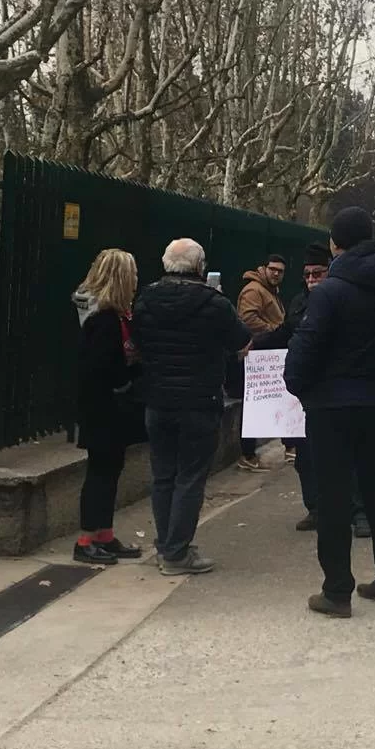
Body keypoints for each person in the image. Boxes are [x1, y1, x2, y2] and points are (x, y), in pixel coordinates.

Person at [284, 207, 375, 618]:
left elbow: (304, 352)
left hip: (330, 408)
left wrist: (303, 387)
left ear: (335, 244)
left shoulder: (329, 292)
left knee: (334, 497)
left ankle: (337, 589)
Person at [133, 237, 252, 576]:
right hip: (199, 401)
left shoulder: (145, 300)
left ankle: (166, 543)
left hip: (157, 401)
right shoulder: (214, 304)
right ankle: (176, 551)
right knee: (190, 476)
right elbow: (241, 340)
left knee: (163, 475)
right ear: (200, 268)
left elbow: (138, 344)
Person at [267, 246, 369, 537]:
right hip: (309, 392)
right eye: (308, 274)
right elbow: (285, 333)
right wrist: (254, 345)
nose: (312, 279)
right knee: (306, 456)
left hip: (340, 388)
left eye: (318, 273)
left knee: (349, 455)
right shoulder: (300, 302)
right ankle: (317, 507)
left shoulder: (344, 299)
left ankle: (357, 511)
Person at [71, 248, 146, 567]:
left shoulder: (109, 314)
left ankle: (104, 534)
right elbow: (101, 367)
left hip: (106, 409)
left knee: (111, 470)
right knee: (100, 473)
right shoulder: (102, 319)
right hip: (103, 410)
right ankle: (86, 539)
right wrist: (127, 379)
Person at [235, 254, 289, 472]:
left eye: (280, 270)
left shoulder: (269, 291)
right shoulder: (254, 290)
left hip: (266, 357)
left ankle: (289, 445)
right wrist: (274, 331)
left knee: (272, 402)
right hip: (256, 357)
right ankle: (247, 454)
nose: (276, 273)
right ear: (263, 268)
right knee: (251, 407)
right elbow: (247, 320)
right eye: (273, 269)